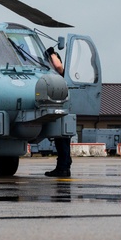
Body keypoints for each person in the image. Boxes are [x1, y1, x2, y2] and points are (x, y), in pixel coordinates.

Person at [44, 46, 72, 177]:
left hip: (62, 110)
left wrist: (51, 53)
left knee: (62, 141)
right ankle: (65, 166)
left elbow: (59, 67)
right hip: (62, 110)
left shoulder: (60, 74)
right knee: (62, 141)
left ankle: (63, 168)